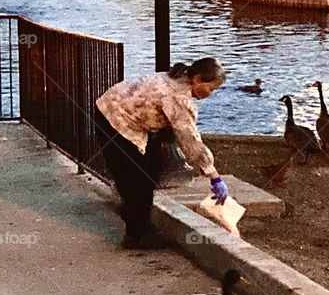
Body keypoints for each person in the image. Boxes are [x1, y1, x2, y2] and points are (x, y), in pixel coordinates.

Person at [94, 57, 229, 249]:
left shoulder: (177, 76)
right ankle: (136, 236)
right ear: (198, 79)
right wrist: (213, 175)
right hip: (116, 120)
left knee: (146, 171)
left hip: (114, 109)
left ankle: (135, 216)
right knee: (138, 179)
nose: (210, 94)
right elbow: (190, 140)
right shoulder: (179, 97)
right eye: (211, 88)